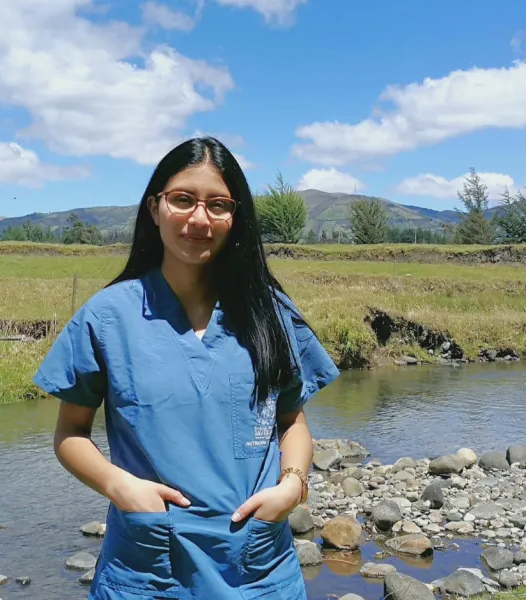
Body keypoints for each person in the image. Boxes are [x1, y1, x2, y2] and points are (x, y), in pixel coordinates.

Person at [33, 136, 340, 599]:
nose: (200, 218)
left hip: (259, 571)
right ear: (154, 209)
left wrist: (293, 486)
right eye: (182, 200)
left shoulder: (271, 313)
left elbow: (291, 420)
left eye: (218, 205)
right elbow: (70, 434)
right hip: (149, 571)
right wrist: (119, 486)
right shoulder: (107, 317)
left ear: (236, 218)